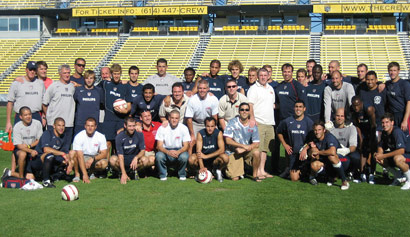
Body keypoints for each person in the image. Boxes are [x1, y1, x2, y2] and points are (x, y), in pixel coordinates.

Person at [98, 63, 131, 159]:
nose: (116, 76)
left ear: (120, 74)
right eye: (114, 74)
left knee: (118, 144)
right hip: (108, 119)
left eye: (118, 74)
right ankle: (107, 165)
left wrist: (124, 111)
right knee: (107, 144)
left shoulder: (125, 86)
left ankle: (117, 166)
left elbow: (129, 104)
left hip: (120, 119)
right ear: (111, 74)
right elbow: (91, 85)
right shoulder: (105, 84)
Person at [248, 68, 275, 179]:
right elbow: (250, 105)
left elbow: (272, 104)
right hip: (259, 122)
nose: (263, 77)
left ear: (268, 76)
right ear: (258, 76)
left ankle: (262, 170)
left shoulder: (271, 88)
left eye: (265, 75)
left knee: (265, 149)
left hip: (270, 122)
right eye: (261, 75)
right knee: (258, 149)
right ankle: (257, 170)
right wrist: (253, 118)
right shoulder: (253, 89)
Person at [277, 100, 313, 181]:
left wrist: (305, 148)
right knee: (294, 178)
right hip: (294, 154)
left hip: (305, 153)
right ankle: (291, 170)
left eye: (300, 107)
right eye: (296, 107)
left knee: (314, 152)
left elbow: (313, 139)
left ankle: (307, 171)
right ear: (294, 108)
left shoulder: (309, 122)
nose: (298, 109)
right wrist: (284, 144)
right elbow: (279, 132)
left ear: (304, 109)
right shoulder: (288, 121)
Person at [224, 102, 261, 181]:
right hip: (233, 152)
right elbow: (227, 140)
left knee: (257, 152)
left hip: (246, 150)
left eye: (247, 110)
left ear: (249, 111)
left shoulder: (253, 124)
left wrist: (244, 149)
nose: (244, 111)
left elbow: (256, 143)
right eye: (242, 109)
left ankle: (255, 175)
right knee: (235, 178)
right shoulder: (232, 122)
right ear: (239, 111)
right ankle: (225, 169)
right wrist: (242, 146)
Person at [307, 121, 350, 190]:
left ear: (324, 130)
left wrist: (318, 152)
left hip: (343, 160)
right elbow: (309, 150)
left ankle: (344, 181)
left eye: (319, 130)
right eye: (315, 130)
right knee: (314, 164)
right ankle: (317, 177)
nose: (317, 132)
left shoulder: (329, 137)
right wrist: (311, 151)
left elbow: (332, 152)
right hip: (328, 162)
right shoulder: (314, 138)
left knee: (331, 156)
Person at [42, 64, 75, 151]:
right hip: (54, 123)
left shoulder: (72, 87)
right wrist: (48, 116)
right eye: (64, 73)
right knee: (53, 148)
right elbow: (44, 103)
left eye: (68, 73)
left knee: (66, 148)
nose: (67, 75)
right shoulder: (53, 86)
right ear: (59, 73)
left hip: (68, 123)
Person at [6, 61, 45, 133]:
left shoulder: (40, 83)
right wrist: (8, 122)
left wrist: (44, 116)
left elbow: (44, 102)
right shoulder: (17, 83)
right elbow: (10, 102)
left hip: (36, 115)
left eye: (34, 70)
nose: (32, 72)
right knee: (20, 142)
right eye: (30, 69)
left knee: (37, 141)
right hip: (21, 116)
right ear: (26, 70)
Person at [375, 113, 410, 190]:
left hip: (407, 154)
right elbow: (381, 146)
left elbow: (401, 150)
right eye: (383, 123)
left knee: (397, 159)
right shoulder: (384, 133)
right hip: (400, 155)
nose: (384, 125)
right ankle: (398, 177)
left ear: (392, 123)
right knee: (378, 157)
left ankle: (409, 180)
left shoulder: (396, 132)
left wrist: (383, 156)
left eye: (387, 122)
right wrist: (379, 155)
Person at [35, 117, 73, 188]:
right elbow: (46, 149)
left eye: (63, 125)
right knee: (50, 155)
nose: (61, 128)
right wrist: (62, 154)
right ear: (54, 126)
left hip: (53, 159)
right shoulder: (47, 133)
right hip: (39, 159)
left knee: (67, 160)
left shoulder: (64, 136)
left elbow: (66, 152)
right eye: (59, 125)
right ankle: (46, 181)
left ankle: (57, 175)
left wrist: (70, 163)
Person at [189, 117, 228, 182]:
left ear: (215, 126)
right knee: (191, 159)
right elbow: (199, 152)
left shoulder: (219, 133)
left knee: (225, 157)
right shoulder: (200, 133)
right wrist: (202, 167)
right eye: (208, 126)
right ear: (205, 126)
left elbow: (222, 150)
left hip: (214, 159)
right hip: (202, 159)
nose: (210, 129)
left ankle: (217, 171)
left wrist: (207, 156)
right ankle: (198, 172)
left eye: (212, 126)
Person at [155, 110, 191, 181]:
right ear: (169, 118)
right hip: (166, 151)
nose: (174, 120)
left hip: (179, 150)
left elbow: (186, 146)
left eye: (176, 118)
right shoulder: (162, 128)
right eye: (172, 118)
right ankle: (163, 174)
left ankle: (182, 174)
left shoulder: (184, 128)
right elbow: (159, 146)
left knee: (184, 156)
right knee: (159, 156)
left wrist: (178, 152)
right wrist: (168, 152)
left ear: (179, 118)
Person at [71, 117, 108, 183]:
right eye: (88, 126)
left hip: (94, 157)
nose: (90, 128)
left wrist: (93, 159)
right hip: (82, 156)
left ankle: (92, 172)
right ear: (85, 126)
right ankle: (77, 174)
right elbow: (79, 155)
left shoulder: (101, 136)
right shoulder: (79, 136)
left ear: (95, 127)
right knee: (73, 153)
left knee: (104, 163)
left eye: (92, 126)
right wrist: (85, 175)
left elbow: (104, 154)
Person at [110, 117, 146, 184]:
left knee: (145, 160)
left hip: (134, 157)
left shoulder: (140, 134)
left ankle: (134, 172)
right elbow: (120, 156)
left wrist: (136, 157)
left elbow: (142, 151)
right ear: (125, 126)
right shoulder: (119, 137)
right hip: (124, 157)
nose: (132, 128)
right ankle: (122, 172)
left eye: (133, 126)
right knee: (112, 160)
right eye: (129, 126)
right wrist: (124, 173)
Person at [328, 108, 360, 181]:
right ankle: (334, 173)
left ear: (345, 117)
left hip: (347, 153)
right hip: (335, 153)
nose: (339, 118)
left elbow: (353, 146)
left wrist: (347, 150)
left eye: (342, 116)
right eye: (338, 116)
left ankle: (351, 172)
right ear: (334, 116)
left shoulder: (351, 128)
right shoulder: (330, 128)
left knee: (356, 157)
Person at [185, 79, 219, 149]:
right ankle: (191, 158)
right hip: (195, 123)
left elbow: (215, 117)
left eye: (204, 88)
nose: (202, 90)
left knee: (217, 137)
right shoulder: (192, 100)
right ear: (197, 89)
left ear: (208, 89)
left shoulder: (213, 99)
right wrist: (192, 134)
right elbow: (189, 119)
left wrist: (213, 127)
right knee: (191, 141)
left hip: (208, 123)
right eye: (200, 88)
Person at [11, 107, 43, 179]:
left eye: (29, 114)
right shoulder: (17, 127)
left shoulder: (37, 123)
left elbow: (39, 140)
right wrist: (30, 150)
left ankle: (11, 173)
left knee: (34, 176)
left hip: (35, 149)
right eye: (25, 115)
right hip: (22, 150)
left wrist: (30, 146)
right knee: (23, 154)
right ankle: (21, 178)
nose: (28, 117)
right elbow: (19, 146)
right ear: (20, 117)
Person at [351, 96, 377, 184]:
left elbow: (373, 125)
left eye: (357, 105)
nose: (356, 107)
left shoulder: (369, 109)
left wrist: (371, 139)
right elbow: (357, 125)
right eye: (354, 105)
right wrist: (361, 139)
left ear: (361, 103)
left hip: (373, 129)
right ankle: (362, 173)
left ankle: (372, 173)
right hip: (362, 129)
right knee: (363, 150)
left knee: (372, 150)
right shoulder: (352, 110)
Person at [73, 70, 103, 136]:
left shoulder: (99, 91)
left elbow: (102, 104)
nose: (89, 80)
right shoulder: (78, 90)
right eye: (87, 78)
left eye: (91, 78)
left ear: (94, 79)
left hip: (94, 124)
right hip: (80, 123)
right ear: (84, 79)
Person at [385, 62, 410, 132]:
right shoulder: (387, 84)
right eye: (390, 70)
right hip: (391, 116)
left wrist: (405, 120)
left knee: (403, 138)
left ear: (399, 71)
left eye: (394, 70)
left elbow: (409, 102)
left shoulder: (405, 84)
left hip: (402, 115)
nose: (392, 73)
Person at [137, 110, 159, 176]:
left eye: (149, 115)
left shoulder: (157, 125)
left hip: (154, 152)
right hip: (143, 152)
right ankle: (135, 171)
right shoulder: (138, 128)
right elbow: (126, 128)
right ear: (141, 118)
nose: (147, 118)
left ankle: (148, 170)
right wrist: (136, 125)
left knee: (152, 159)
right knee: (144, 160)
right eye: (145, 116)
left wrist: (166, 121)